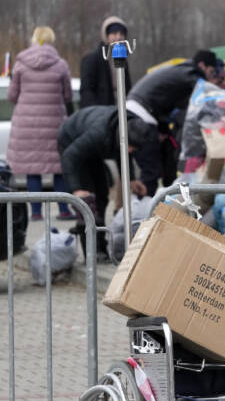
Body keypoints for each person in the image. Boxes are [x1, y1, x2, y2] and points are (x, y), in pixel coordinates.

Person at [57, 106, 153, 257]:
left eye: (134, 148)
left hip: (92, 145)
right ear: (122, 137)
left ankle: (102, 246)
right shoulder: (98, 133)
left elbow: (125, 154)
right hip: (71, 139)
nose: (130, 151)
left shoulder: (129, 128)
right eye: (130, 146)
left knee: (102, 194)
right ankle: (92, 252)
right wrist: (76, 190)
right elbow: (70, 156)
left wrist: (131, 179)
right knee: (88, 200)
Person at [126, 49, 223, 195]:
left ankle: (159, 204)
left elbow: (167, 100)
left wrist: (163, 129)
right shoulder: (192, 74)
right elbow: (206, 98)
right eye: (212, 71)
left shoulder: (181, 70)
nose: (212, 76)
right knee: (151, 169)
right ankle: (143, 208)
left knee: (165, 161)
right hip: (142, 113)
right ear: (202, 65)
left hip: (140, 109)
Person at [6, 26, 73, 220]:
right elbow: (68, 95)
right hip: (55, 123)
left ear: (34, 39)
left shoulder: (20, 63)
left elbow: (11, 95)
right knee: (58, 168)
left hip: (26, 124)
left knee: (32, 169)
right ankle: (64, 210)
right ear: (51, 40)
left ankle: (35, 212)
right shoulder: (60, 65)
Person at [79, 16, 132, 108]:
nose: (118, 37)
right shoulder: (91, 59)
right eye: (114, 33)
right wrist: (95, 112)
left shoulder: (123, 60)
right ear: (106, 36)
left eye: (121, 34)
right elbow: (86, 91)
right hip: (100, 113)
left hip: (120, 110)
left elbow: (127, 87)